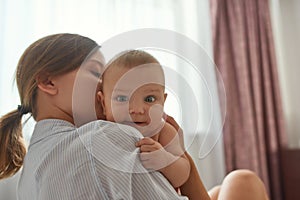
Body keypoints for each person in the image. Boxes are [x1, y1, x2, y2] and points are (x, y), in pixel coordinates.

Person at [0, 33, 269, 200]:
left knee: (224, 190)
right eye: (96, 73)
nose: (102, 89)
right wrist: (179, 154)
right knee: (242, 180)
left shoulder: (30, 167)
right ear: (48, 82)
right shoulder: (104, 137)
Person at [98, 50, 190, 189]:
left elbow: (182, 176)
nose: (137, 109)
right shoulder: (98, 132)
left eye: (149, 99)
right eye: (122, 98)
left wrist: (165, 160)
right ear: (103, 103)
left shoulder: (163, 131)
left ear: (163, 102)